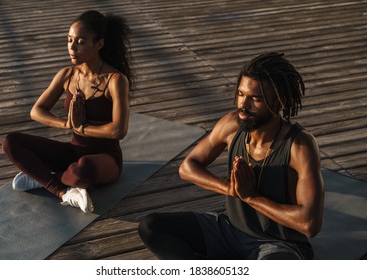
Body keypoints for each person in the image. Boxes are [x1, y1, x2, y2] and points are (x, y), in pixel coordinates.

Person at [138, 52, 324, 259]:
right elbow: (187, 167)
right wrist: (231, 189)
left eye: (256, 99)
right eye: (241, 94)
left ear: (280, 102)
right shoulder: (231, 125)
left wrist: (251, 197)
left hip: (278, 244)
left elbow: (309, 224)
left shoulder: (299, 145)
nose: (243, 105)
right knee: (151, 227)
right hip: (229, 231)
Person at [2, 10, 134, 213]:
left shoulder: (115, 81)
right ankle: (63, 191)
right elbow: (36, 111)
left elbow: (118, 131)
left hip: (105, 158)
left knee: (83, 169)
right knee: (11, 142)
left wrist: (82, 127)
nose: (72, 47)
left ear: (99, 44)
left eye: (80, 41)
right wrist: (67, 124)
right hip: (73, 151)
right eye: (69, 40)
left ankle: (41, 177)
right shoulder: (67, 75)